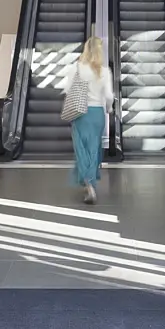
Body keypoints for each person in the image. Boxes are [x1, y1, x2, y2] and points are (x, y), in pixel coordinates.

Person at [66, 36, 114, 204]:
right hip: (97, 114)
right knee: (94, 148)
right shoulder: (104, 71)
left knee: (81, 148)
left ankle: (87, 181)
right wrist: (109, 108)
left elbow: (67, 90)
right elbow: (109, 96)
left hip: (81, 113)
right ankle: (91, 180)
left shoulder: (77, 68)